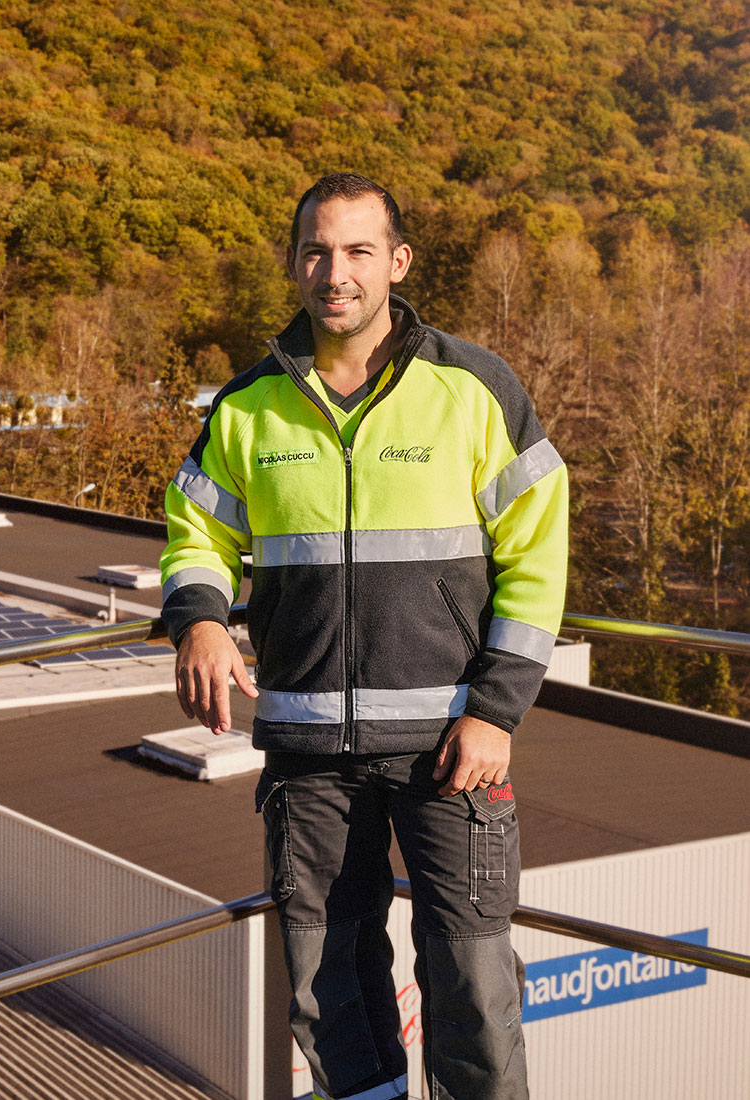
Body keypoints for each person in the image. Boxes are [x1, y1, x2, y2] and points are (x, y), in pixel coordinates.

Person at [160, 172, 568, 1100]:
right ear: (293, 262)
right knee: (327, 986)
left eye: (356, 251)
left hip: (450, 745)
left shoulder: (473, 389)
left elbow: (539, 556)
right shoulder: (249, 405)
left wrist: (498, 710)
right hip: (308, 754)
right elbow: (196, 531)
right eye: (316, 250)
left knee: (469, 984)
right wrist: (201, 620)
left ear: (397, 262)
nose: (333, 272)